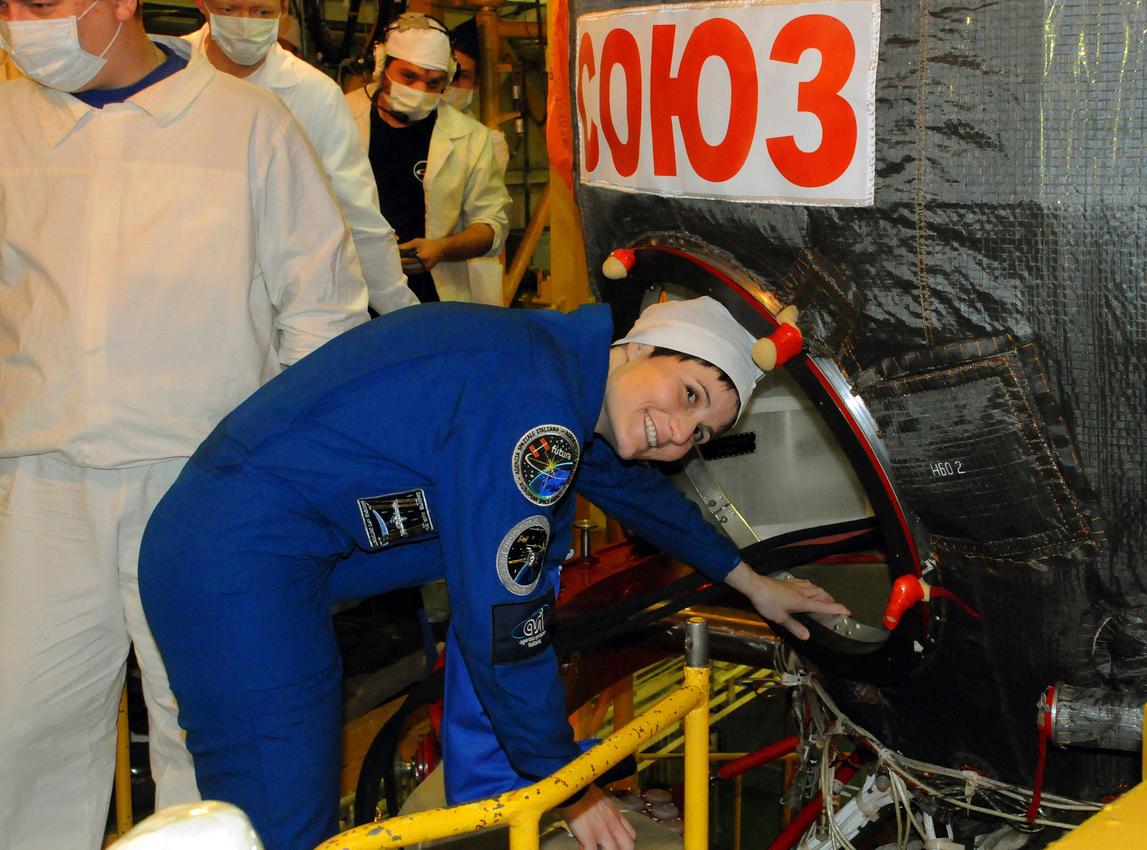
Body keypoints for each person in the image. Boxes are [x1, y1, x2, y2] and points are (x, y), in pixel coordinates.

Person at [138, 297, 850, 850]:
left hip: (253, 550)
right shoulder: (533, 410)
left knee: (283, 809)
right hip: (237, 565)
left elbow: (634, 493)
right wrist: (569, 782)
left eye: (700, 435)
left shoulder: (555, 372)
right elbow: (503, 630)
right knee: (282, 824)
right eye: (689, 394)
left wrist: (750, 581)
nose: (678, 433)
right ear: (637, 346)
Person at [0, 0, 369, 845]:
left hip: (204, 491)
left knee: (205, 738)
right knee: (19, 736)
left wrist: (276, 479)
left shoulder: (247, 126)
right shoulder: (7, 125)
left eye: (44, 3)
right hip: (40, 487)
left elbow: (322, 311)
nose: (21, 22)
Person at [182, 0, 418, 315]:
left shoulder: (313, 94)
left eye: (261, 12)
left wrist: (401, 310)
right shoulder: (162, 72)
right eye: (229, 9)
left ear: (283, 8)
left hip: (270, 299)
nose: (245, 21)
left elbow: (356, 212)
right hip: (175, 285)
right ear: (202, 4)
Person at [346, 13, 510, 305]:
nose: (419, 90)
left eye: (433, 83)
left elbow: (492, 225)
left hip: (429, 298)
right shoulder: (339, 117)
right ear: (382, 65)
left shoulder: (471, 138)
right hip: (349, 290)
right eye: (408, 76)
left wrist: (441, 249)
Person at [445, 16, 510, 173]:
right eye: (449, 73)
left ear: (476, 84)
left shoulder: (488, 144)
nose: (453, 83)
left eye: (464, 76)